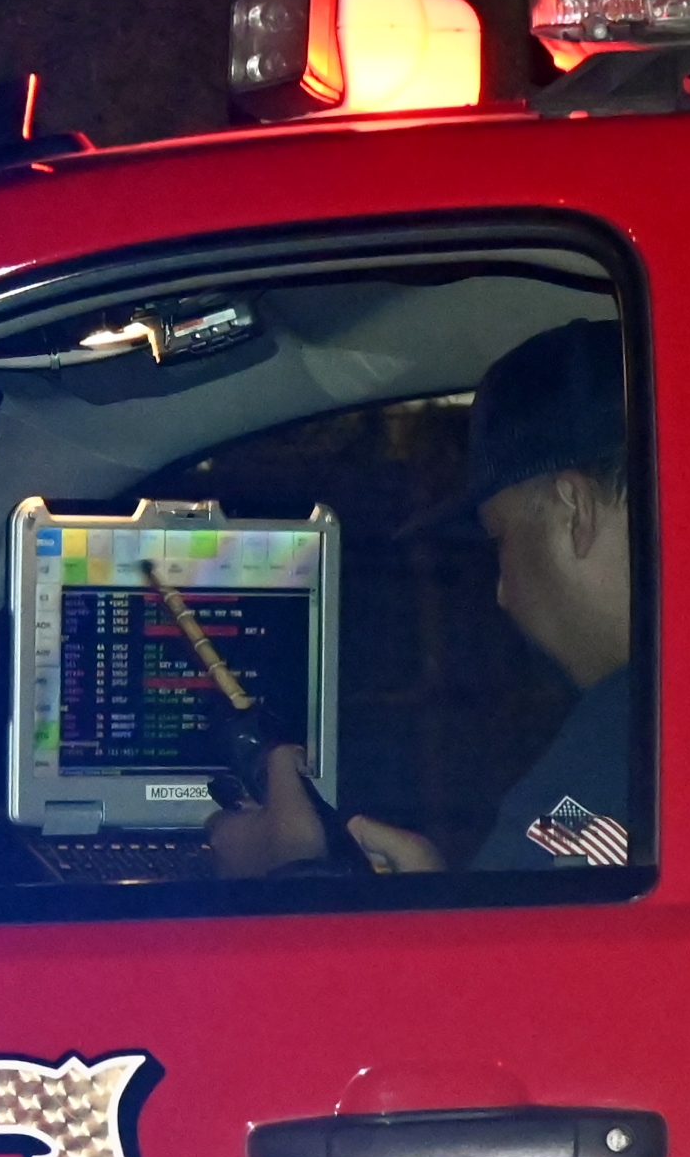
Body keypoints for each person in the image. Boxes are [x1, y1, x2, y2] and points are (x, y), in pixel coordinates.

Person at [207, 318, 635, 878]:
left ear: (574, 510)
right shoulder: (679, 719)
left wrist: (291, 874)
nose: (503, 594)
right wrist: (432, 888)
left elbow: (522, 938)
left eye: (499, 540)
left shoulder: (623, 733)